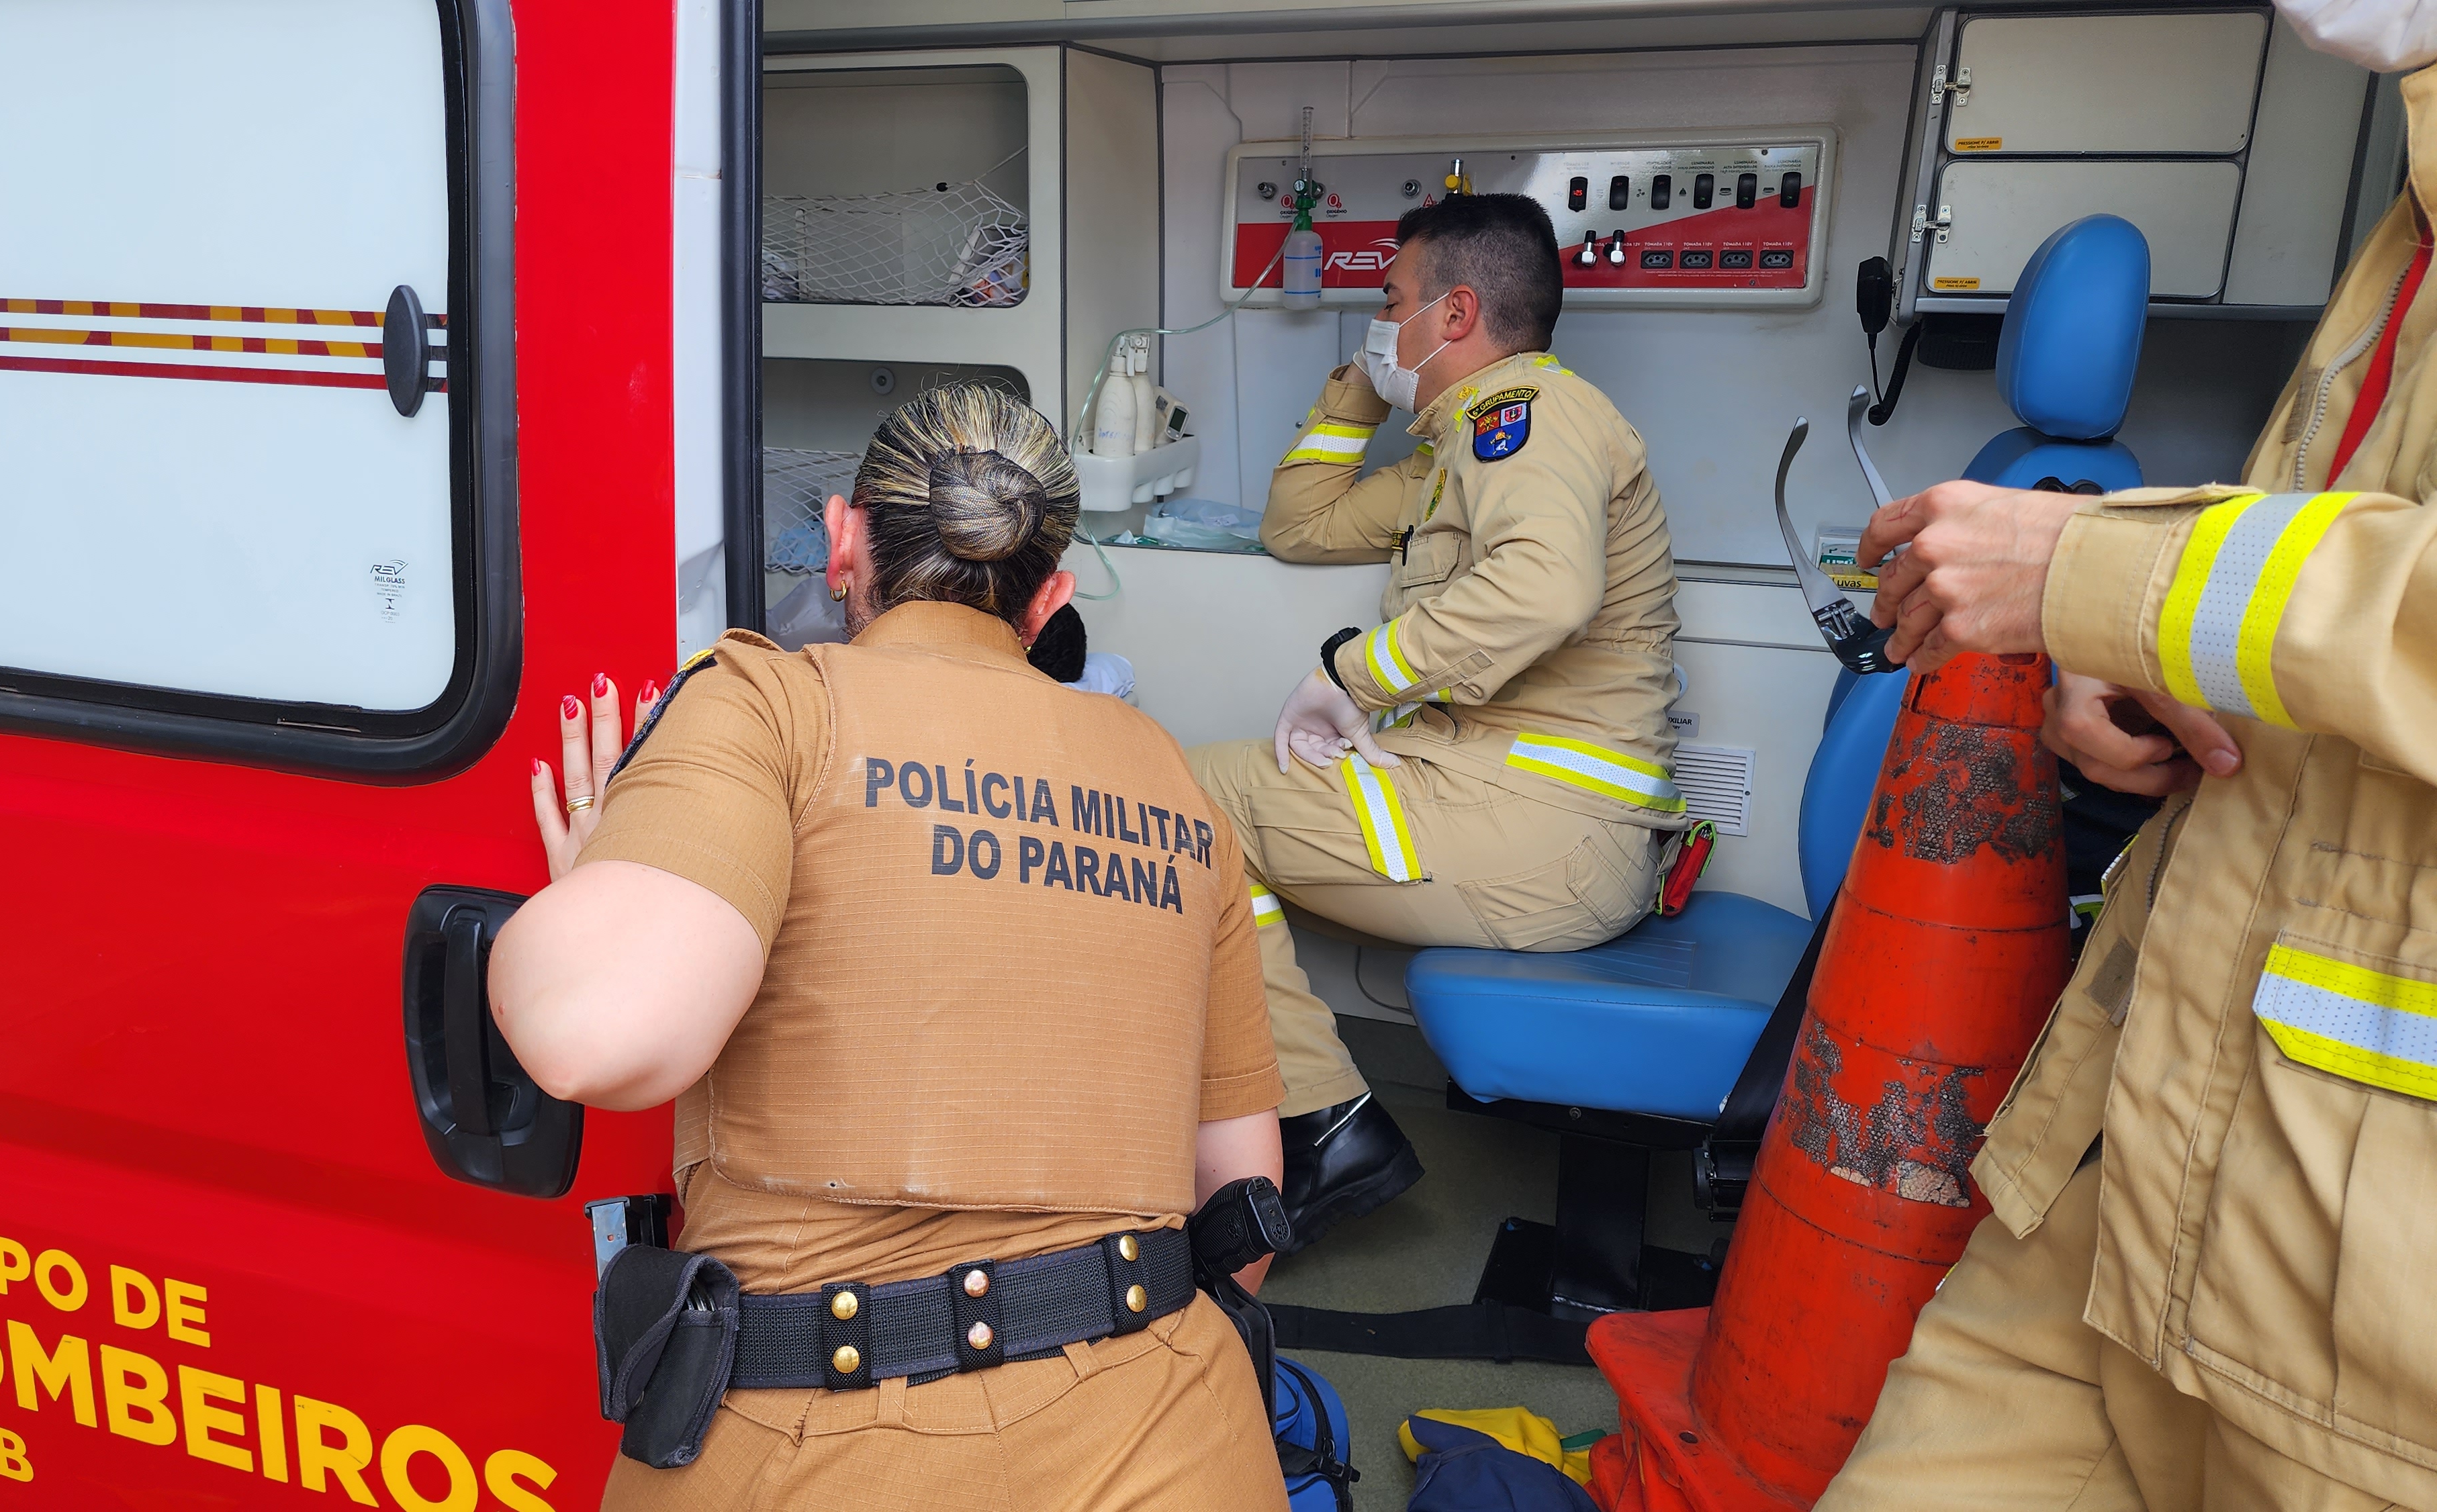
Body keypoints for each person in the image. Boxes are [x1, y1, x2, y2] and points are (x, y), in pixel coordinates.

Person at [1818, 33, 2437, 1509]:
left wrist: (2109, 573)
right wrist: (2155, 654)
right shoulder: (2401, 230)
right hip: (2121, 1176)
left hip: (2374, 1308)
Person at [490, 385, 1289, 1511]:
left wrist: (599, 897)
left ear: (841, 536)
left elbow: (597, 1035)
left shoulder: (767, 703)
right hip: (1179, 1441)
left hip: (828, 1445)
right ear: (1049, 596)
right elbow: (1243, 1214)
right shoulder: (1167, 771)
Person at [1187, 192, 1688, 1249]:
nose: (1380, 321)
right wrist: (1357, 390)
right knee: (1203, 795)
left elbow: (1549, 588)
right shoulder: (1456, 449)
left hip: (1546, 827)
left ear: (1454, 316)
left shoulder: (1532, 419)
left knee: (1187, 799)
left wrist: (1355, 675)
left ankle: (1317, 1120)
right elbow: (1299, 523)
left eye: (1391, 303)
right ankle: (1316, 1115)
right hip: (1511, 805)